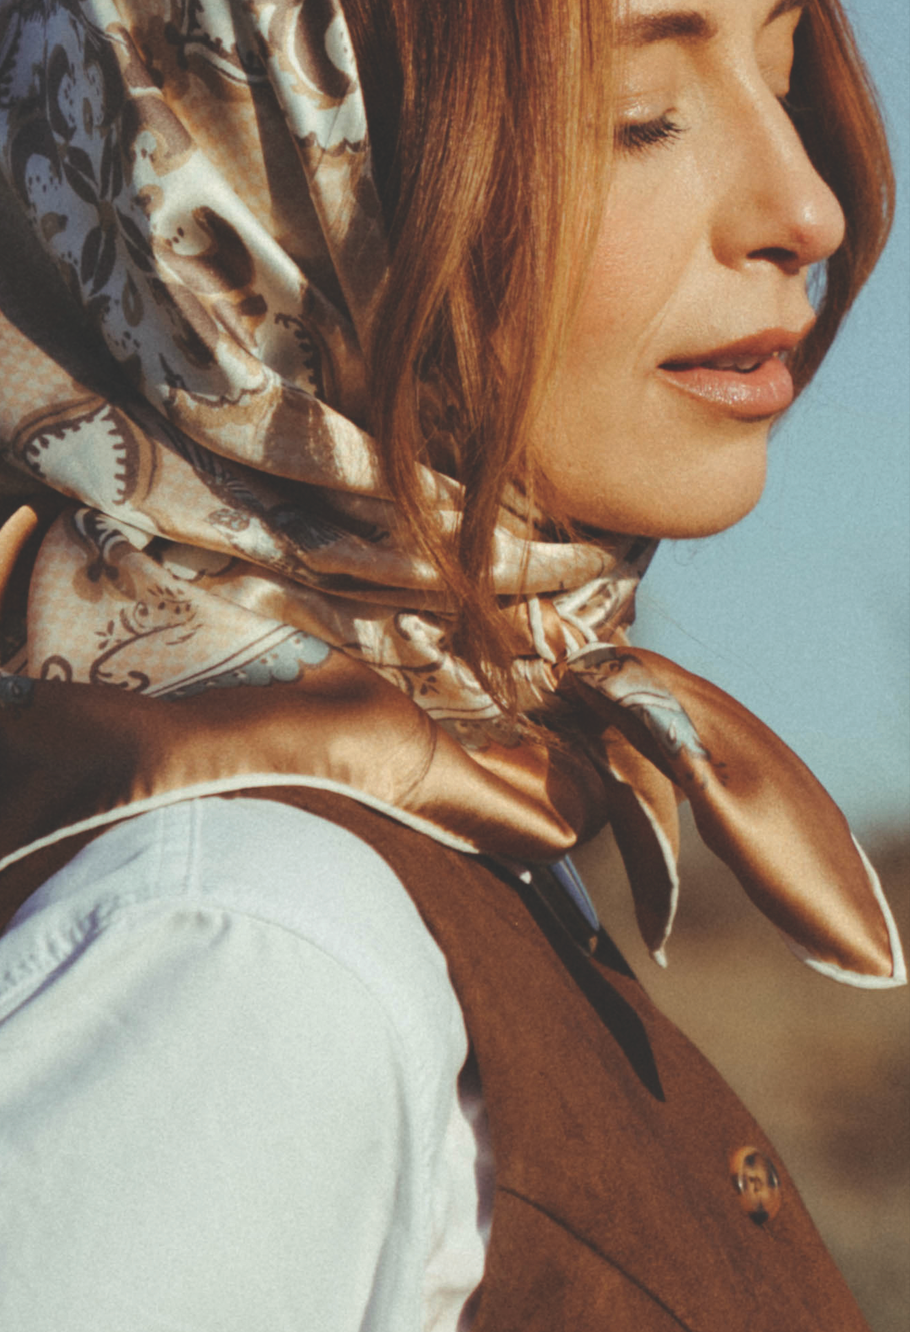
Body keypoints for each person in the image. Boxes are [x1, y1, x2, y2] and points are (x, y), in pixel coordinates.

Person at [0, 0, 904, 1328]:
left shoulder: (397, 848)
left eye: (778, 82)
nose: (805, 209)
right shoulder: (254, 947)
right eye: (635, 120)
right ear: (246, 202)